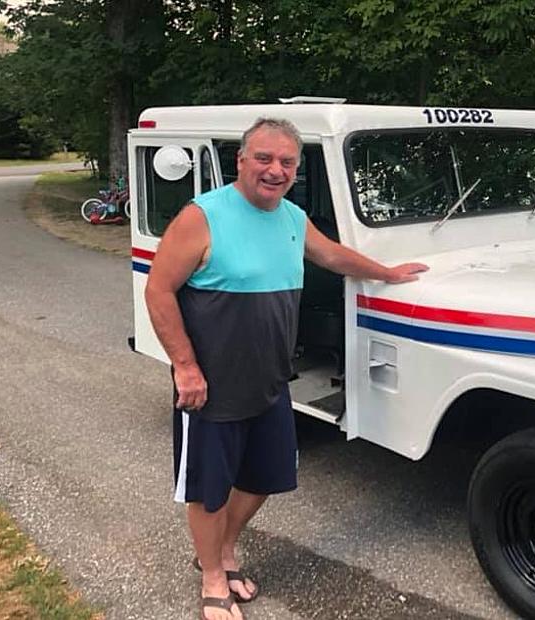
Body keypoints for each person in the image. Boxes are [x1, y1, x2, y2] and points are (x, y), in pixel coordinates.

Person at [144, 117, 428, 620]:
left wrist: (387, 274)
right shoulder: (202, 217)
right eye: (264, 158)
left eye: (287, 162)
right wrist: (184, 367)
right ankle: (213, 576)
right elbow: (158, 289)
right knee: (210, 489)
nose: (275, 170)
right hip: (211, 384)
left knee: (263, 478)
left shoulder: (293, 217)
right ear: (241, 161)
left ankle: (224, 550)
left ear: (297, 168)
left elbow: (332, 255)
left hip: (273, 380)